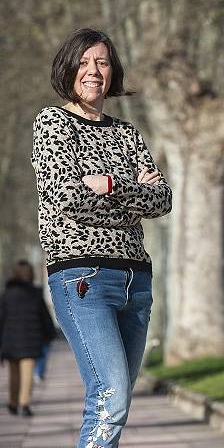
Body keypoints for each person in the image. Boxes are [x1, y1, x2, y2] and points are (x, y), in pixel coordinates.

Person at [31, 29, 173, 447]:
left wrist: (107, 184)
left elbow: (162, 200)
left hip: (136, 281)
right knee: (110, 397)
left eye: (103, 62)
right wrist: (132, 189)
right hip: (83, 277)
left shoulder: (127, 132)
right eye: (85, 62)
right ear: (68, 68)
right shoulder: (52, 123)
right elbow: (69, 200)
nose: (94, 71)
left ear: (113, 72)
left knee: (118, 399)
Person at [0, 261, 56, 416]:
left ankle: (12, 403)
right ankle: (25, 404)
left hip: (10, 340)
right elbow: (45, 317)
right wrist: (49, 334)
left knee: (14, 374)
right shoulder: (35, 293)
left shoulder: (7, 294)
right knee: (27, 374)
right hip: (31, 340)